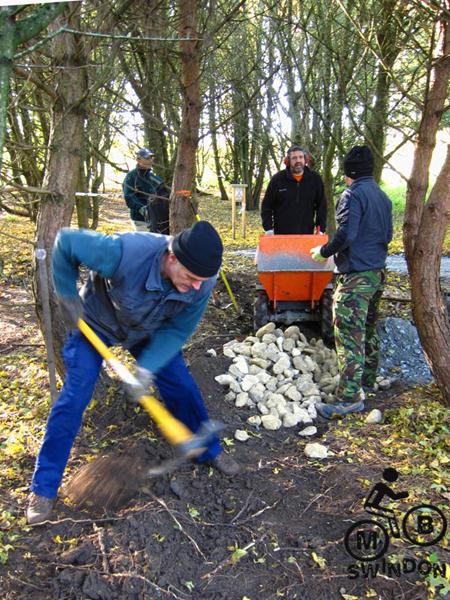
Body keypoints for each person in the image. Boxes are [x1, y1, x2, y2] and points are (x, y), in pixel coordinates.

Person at [27, 221, 240, 525]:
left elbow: (177, 331)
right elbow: (67, 242)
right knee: (74, 398)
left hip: (149, 331)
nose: (196, 286)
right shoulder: (124, 252)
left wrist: (145, 369)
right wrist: (67, 294)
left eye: (201, 281)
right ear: (171, 257)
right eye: (191, 277)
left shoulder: (202, 284)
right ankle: (43, 488)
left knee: (182, 386)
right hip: (97, 323)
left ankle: (208, 449)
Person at [310, 145, 393, 419]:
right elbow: (388, 235)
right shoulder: (383, 197)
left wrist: (324, 251)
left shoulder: (352, 195)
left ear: (350, 173)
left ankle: (348, 398)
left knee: (348, 336)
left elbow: (347, 233)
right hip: (377, 274)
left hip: (356, 277)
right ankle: (367, 381)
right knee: (368, 328)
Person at [260, 145, 327, 235]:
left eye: (300, 157)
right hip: (281, 235)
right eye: (294, 158)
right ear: (288, 161)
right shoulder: (278, 179)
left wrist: (321, 229)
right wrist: (268, 228)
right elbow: (266, 205)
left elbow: (322, 206)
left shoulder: (315, 179)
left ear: (305, 159)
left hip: (307, 234)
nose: (298, 160)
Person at [123, 147, 170, 233]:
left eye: (151, 158)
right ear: (138, 160)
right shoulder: (131, 176)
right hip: (140, 220)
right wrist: (142, 209)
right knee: (145, 240)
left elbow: (165, 193)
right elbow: (129, 197)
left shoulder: (153, 177)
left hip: (158, 219)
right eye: (147, 158)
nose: (150, 160)